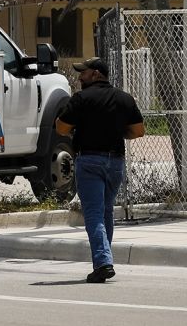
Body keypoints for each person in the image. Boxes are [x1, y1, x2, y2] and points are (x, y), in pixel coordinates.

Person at [55, 56, 145, 283]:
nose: (79, 77)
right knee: (105, 212)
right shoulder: (124, 98)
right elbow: (138, 131)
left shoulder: (82, 99)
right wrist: (117, 132)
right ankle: (104, 260)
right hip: (115, 163)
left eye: (83, 72)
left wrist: (79, 129)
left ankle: (103, 262)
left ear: (96, 74)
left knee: (94, 215)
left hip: (90, 162)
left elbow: (61, 127)